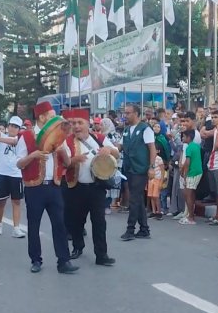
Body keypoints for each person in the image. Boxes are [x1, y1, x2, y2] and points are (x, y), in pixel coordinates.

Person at [16, 102, 77, 274]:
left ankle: (64, 261)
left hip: (54, 185)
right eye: (51, 115)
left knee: (59, 224)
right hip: (34, 188)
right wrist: (33, 156)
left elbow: (68, 162)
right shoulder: (26, 136)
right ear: (42, 117)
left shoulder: (59, 135)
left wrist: (61, 149)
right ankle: (36, 259)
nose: (55, 118)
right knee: (33, 225)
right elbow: (19, 163)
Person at [63, 108, 117, 266]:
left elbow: (117, 153)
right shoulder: (67, 142)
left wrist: (110, 150)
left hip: (97, 188)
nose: (76, 126)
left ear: (88, 124)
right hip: (76, 187)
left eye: (80, 123)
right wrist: (74, 160)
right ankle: (78, 247)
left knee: (99, 222)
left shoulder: (99, 138)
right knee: (76, 221)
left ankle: (102, 255)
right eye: (74, 123)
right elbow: (63, 163)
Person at [120, 103, 156, 241]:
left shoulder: (145, 129)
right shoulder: (127, 130)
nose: (125, 115)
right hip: (129, 167)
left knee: (134, 199)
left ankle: (130, 229)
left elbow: (152, 148)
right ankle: (144, 229)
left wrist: (151, 167)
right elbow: (121, 146)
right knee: (138, 199)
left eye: (128, 113)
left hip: (140, 169)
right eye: (125, 113)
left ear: (136, 114)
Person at [0, 116, 26, 238]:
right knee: (1, 201)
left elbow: (13, 141)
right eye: (11, 125)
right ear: (8, 126)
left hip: (16, 174)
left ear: (19, 129)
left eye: (16, 126)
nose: (13, 128)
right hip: (2, 173)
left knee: (16, 201)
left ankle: (16, 228)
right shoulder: (3, 136)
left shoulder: (20, 139)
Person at [178, 128, 203, 225]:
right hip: (197, 171)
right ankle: (190, 215)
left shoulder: (189, 148)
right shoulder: (196, 146)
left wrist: (184, 174)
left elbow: (188, 162)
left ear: (188, 137)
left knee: (188, 194)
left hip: (192, 173)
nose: (182, 138)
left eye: (183, 136)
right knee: (191, 194)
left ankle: (191, 217)